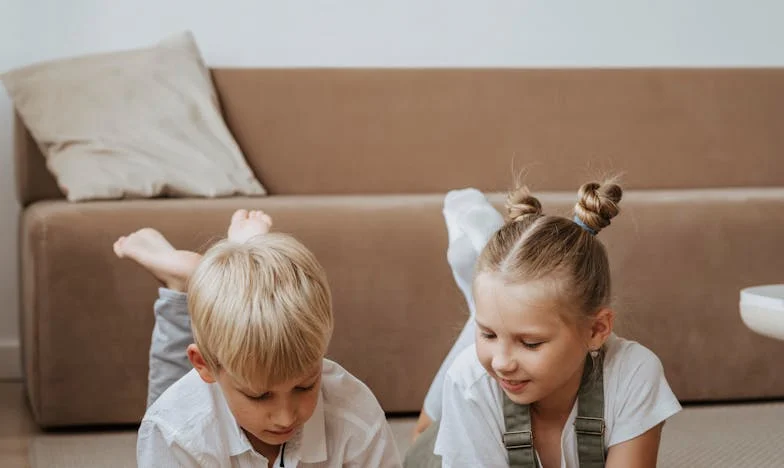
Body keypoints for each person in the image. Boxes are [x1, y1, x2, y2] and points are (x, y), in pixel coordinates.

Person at [407, 182, 682, 467]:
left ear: (596, 330)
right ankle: (485, 306)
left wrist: (497, 334)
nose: (502, 363)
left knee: (495, 335)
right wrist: (507, 340)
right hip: (438, 453)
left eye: (531, 343)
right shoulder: (470, 381)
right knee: (424, 431)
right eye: (487, 334)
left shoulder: (634, 373)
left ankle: (491, 310)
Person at [114, 209, 403, 467]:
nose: (285, 417)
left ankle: (239, 255)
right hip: (195, 412)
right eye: (259, 395)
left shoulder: (357, 417)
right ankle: (186, 284)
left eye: (305, 386)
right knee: (170, 391)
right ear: (203, 365)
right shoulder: (174, 430)